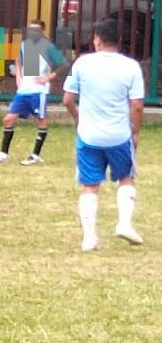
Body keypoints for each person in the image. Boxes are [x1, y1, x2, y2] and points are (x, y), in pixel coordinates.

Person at [62, 17, 145, 250]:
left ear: (96, 40)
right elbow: (137, 106)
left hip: (88, 136)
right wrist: (135, 132)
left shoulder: (81, 63)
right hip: (119, 135)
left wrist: (78, 118)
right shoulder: (131, 67)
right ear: (120, 40)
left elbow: (67, 99)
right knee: (126, 178)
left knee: (90, 185)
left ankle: (89, 237)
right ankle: (124, 223)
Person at [0, 19, 69, 166]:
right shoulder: (24, 45)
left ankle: (35, 155)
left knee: (41, 120)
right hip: (24, 90)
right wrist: (19, 77)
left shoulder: (48, 47)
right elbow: (18, 60)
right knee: (8, 119)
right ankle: (3, 155)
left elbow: (64, 65)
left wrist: (48, 77)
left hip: (39, 91)